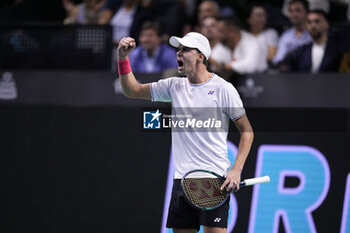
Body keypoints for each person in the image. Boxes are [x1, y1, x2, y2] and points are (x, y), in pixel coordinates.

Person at [117, 32, 254, 232]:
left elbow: (247, 131)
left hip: (213, 179)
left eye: (185, 50)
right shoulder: (173, 86)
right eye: (178, 49)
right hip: (182, 180)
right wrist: (122, 58)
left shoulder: (223, 89)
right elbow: (131, 90)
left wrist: (236, 170)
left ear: (201, 56)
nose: (178, 53)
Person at [282, 10, 348, 72]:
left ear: (326, 24)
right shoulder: (301, 51)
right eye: (309, 22)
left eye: (317, 21)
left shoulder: (339, 50)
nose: (313, 25)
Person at [272, 0, 312, 65]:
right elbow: (278, 59)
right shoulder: (286, 36)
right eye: (291, 11)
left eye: (298, 10)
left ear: (307, 12)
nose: (294, 14)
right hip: (290, 73)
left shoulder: (315, 33)